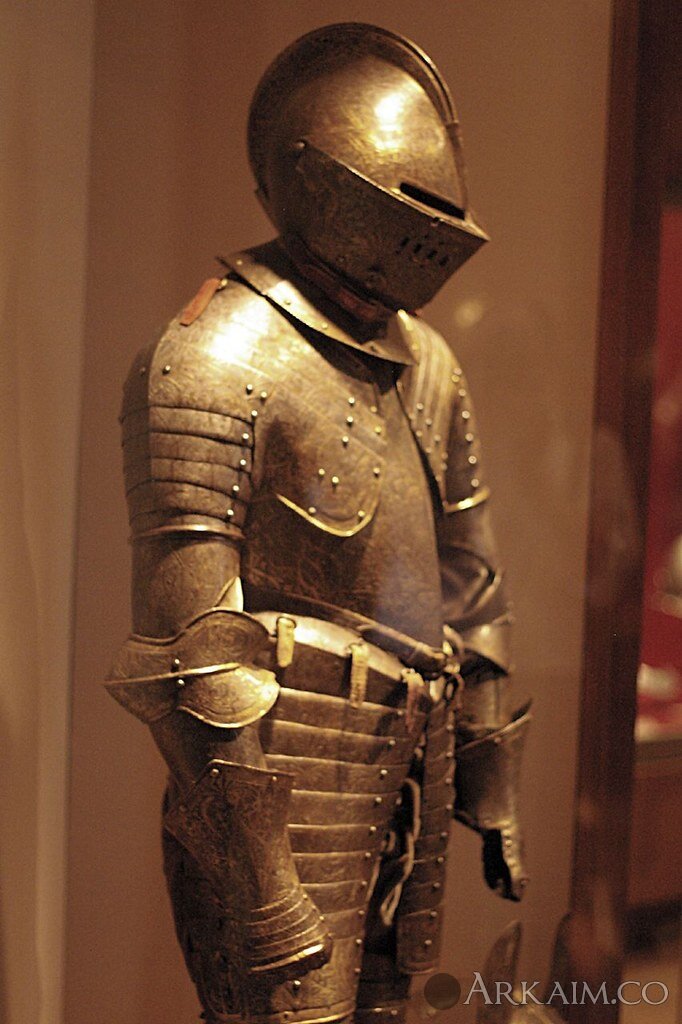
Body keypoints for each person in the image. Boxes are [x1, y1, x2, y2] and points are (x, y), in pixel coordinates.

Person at [107, 23, 531, 1024]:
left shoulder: (429, 363)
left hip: (411, 771)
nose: (432, 233)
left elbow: (470, 582)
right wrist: (262, 886)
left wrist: (491, 782)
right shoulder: (211, 357)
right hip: (283, 789)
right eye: (407, 203)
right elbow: (190, 654)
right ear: (312, 180)